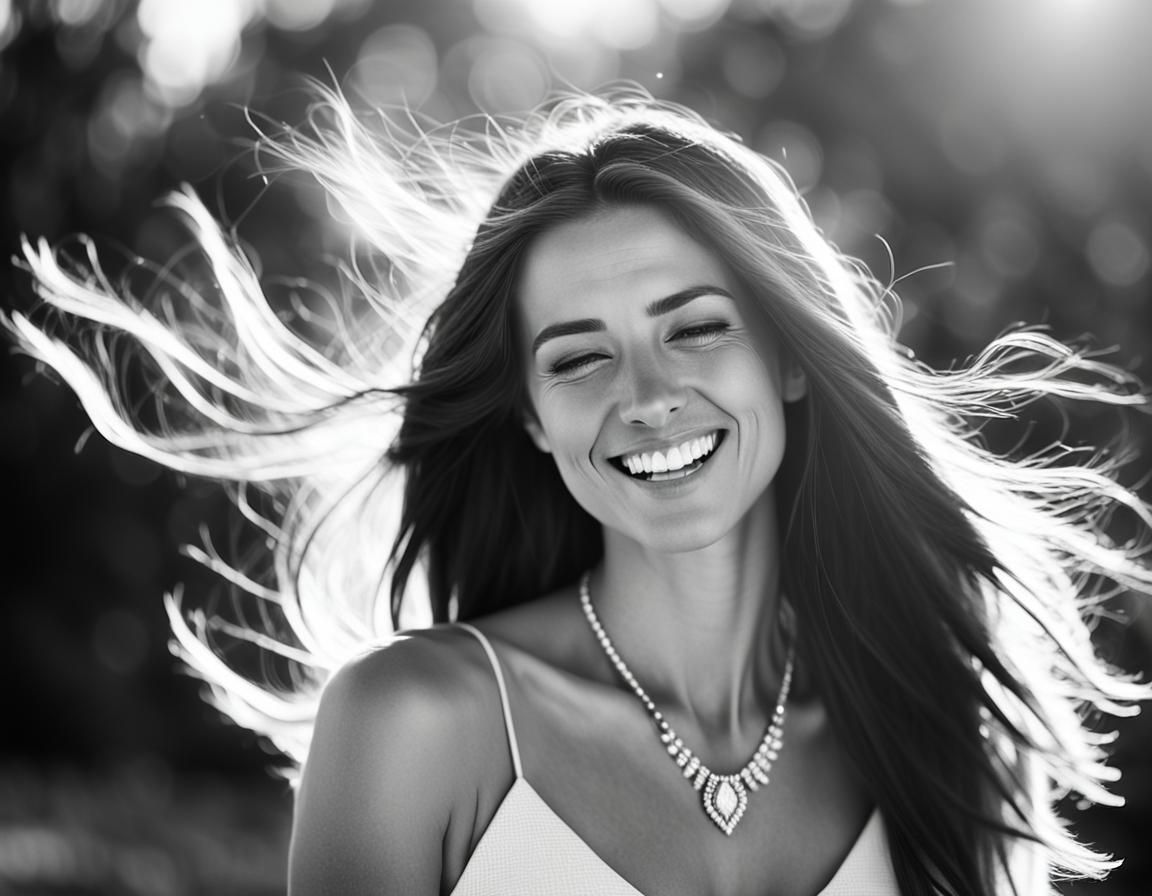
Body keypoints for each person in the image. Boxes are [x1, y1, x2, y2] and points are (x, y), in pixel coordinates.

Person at [7, 87, 1151, 896]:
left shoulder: (926, 727)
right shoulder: (417, 725)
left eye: (696, 330)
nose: (647, 395)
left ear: (792, 358)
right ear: (529, 415)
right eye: (577, 356)